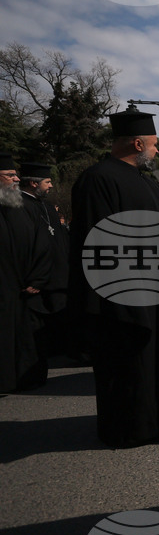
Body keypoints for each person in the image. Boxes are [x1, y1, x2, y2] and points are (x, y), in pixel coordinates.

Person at [68, 110, 159, 447]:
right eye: (154, 146)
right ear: (137, 142)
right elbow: (98, 243)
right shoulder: (99, 179)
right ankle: (132, 428)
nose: (156, 152)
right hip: (129, 297)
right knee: (132, 368)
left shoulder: (145, 180)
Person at [0, 154, 51, 394]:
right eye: (10, 175)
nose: (16, 179)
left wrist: (38, 277)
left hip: (21, 287)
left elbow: (41, 243)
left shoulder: (19, 206)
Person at [19, 162, 70, 374]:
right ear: (33, 183)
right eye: (47, 182)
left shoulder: (48, 207)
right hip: (38, 278)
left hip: (58, 277)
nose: (50, 186)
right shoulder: (20, 205)